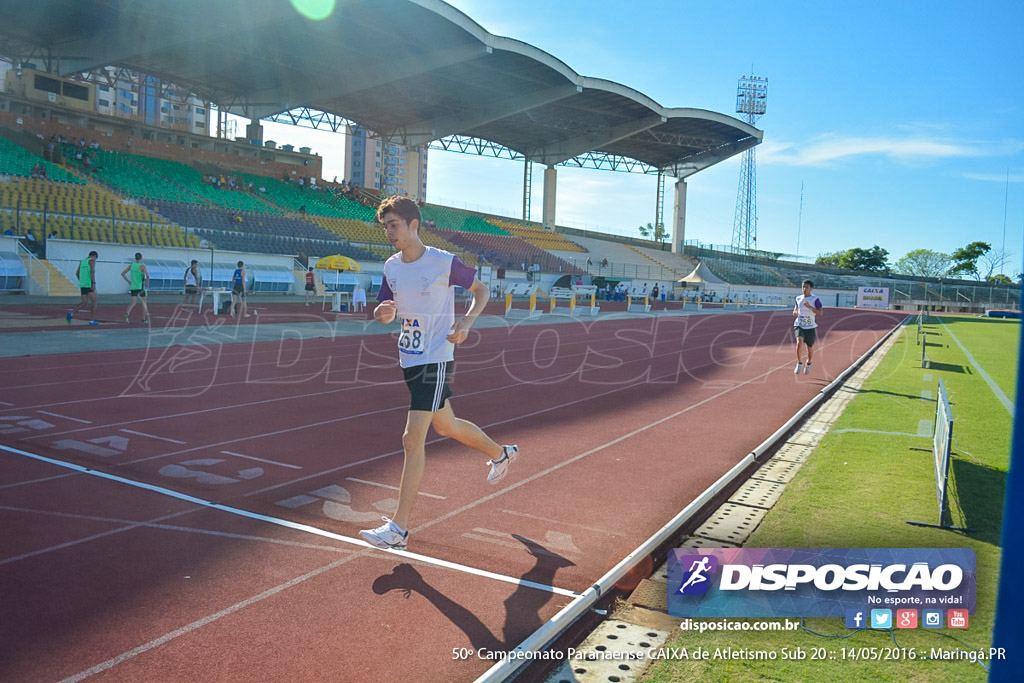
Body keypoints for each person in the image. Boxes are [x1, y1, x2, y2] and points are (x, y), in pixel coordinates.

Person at [359, 197, 518, 550]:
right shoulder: (391, 267)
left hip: (436, 357)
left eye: (394, 225)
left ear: (414, 225)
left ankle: (398, 530)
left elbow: (481, 290)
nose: (389, 232)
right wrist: (382, 314)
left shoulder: (443, 262)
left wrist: (467, 321)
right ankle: (501, 454)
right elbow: (386, 311)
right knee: (447, 426)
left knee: (411, 439)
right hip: (410, 357)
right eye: (385, 226)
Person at [793, 279, 823, 374]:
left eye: (806, 287)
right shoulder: (798, 298)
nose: (804, 289)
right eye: (803, 287)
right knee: (799, 342)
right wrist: (795, 312)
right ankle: (799, 363)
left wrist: (810, 307)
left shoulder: (815, 299)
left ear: (811, 289)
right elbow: (796, 309)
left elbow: (820, 313)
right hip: (799, 324)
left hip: (810, 327)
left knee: (809, 348)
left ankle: (809, 363)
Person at [67, 250, 99, 326]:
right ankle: (91, 321)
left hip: (83, 285)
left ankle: (71, 313)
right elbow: (92, 272)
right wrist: (93, 283)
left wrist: (81, 281)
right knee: (94, 303)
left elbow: (77, 273)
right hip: (89, 284)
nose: (95, 260)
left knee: (84, 302)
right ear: (94, 256)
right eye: (95, 258)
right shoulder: (91, 261)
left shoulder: (82, 261)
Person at [121, 252, 150, 324]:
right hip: (140, 286)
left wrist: (128, 281)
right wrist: (146, 283)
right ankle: (143, 319)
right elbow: (148, 276)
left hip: (133, 286)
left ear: (135, 258)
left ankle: (127, 314)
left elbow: (123, 273)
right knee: (144, 302)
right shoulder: (142, 266)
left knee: (133, 302)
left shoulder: (131, 266)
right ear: (141, 258)